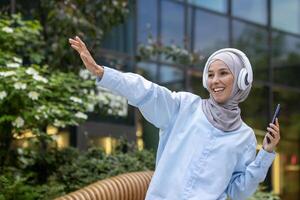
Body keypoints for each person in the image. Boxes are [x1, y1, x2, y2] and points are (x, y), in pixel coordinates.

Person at [69, 36, 280, 200]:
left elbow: (237, 191)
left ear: (242, 79)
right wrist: (102, 73)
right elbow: (147, 92)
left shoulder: (245, 137)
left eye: (223, 73)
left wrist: (266, 154)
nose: (215, 80)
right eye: (211, 74)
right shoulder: (185, 107)